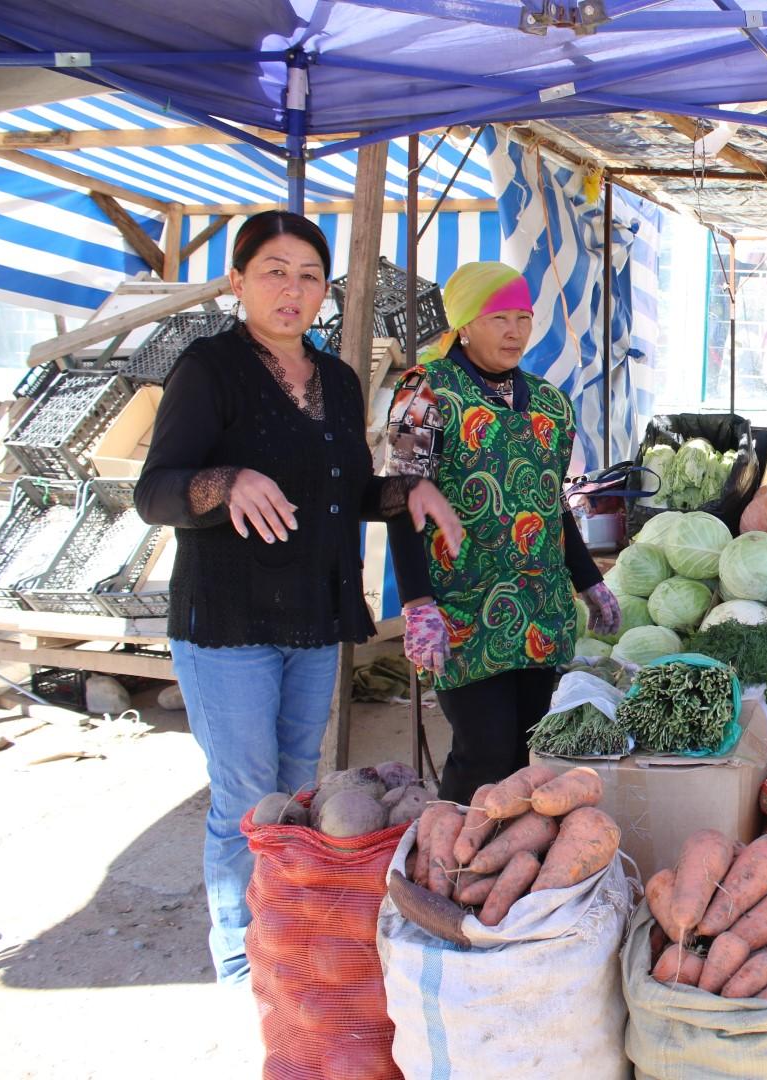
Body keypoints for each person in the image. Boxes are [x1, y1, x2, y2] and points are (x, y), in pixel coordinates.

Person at [134, 211, 464, 984]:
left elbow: (342, 492)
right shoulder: (209, 368)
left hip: (315, 615)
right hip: (227, 621)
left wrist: (404, 492)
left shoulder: (340, 381)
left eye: (309, 275)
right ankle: (241, 962)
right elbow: (155, 491)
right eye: (275, 271)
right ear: (237, 282)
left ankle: (285, 939)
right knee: (249, 796)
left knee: (298, 789)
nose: (293, 289)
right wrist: (227, 482)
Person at [384, 261, 620, 805]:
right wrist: (418, 604)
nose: (515, 331)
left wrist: (589, 582)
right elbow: (401, 500)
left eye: (524, 317)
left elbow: (551, 503)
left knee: (531, 752)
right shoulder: (424, 392)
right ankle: (452, 862)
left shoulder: (549, 404)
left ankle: (512, 873)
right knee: (483, 749)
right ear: (464, 324)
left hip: (540, 608)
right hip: (463, 609)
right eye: (499, 318)